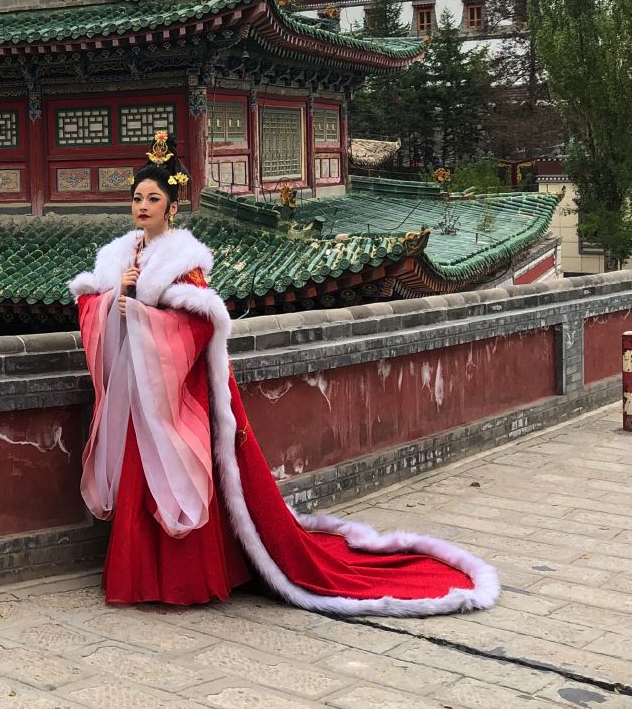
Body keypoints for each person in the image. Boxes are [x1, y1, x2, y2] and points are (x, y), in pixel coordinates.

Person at [68, 131, 498, 615]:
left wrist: (143, 313)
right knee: (142, 477)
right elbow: (92, 306)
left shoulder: (182, 263)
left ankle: (187, 581)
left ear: (172, 207)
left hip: (182, 391)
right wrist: (114, 297)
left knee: (191, 474)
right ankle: (141, 577)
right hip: (141, 393)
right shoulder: (118, 258)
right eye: (137, 198)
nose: (142, 206)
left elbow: (200, 325)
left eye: (153, 199)